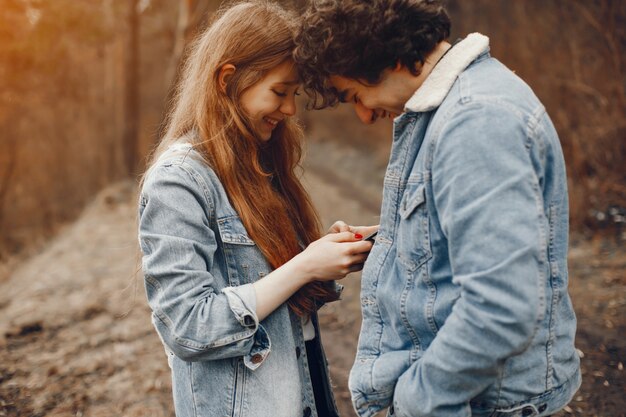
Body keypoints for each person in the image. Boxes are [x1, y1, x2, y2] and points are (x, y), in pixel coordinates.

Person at [293, 1, 581, 416]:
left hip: (480, 405)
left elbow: (501, 306)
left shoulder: (476, 122)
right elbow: (458, 233)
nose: (363, 115)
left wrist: (417, 399)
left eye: (356, 95)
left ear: (388, 57)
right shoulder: (448, 110)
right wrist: (387, 241)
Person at [137, 2, 376, 416]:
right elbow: (188, 326)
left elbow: (270, 291)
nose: (289, 110)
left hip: (302, 393)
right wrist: (303, 266)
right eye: (280, 92)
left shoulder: (260, 164)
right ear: (228, 80)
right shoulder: (178, 181)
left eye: (294, 94)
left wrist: (325, 254)